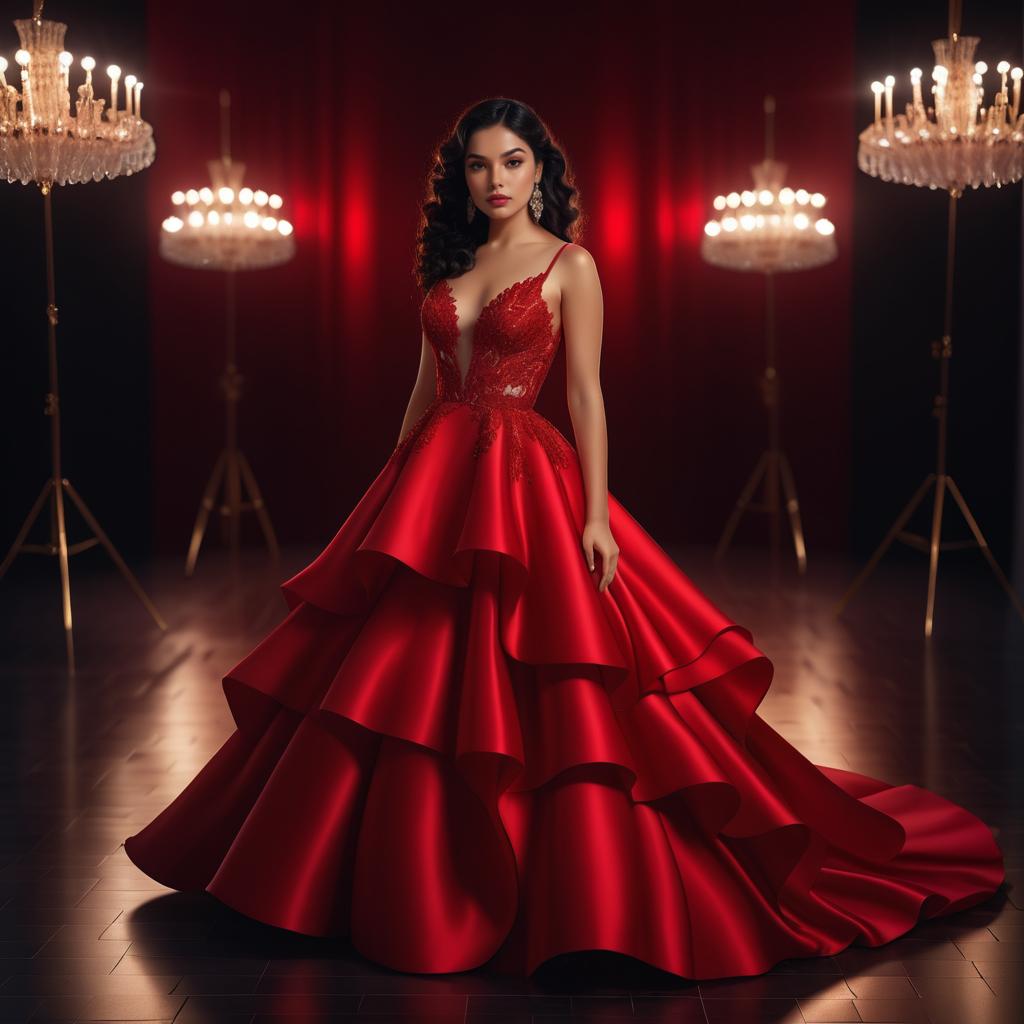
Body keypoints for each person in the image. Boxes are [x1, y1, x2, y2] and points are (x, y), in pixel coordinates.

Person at [124, 96, 1004, 980]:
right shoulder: (450, 262)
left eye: (511, 162)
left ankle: (557, 879)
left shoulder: (571, 265)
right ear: (460, 177)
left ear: (539, 170)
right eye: (478, 164)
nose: (494, 179)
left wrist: (593, 512)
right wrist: (388, 487)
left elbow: (585, 394)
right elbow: (422, 391)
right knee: (395, 672)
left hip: (520, 478)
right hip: (428, 483)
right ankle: (365, 873)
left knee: (544, 676)